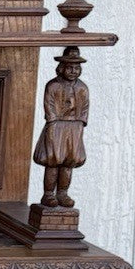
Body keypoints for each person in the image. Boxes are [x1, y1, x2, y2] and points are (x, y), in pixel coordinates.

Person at [34, 47, 89, 207]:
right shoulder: (53, 86)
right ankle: (48, 194)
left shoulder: (82, 88)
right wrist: (53, 122)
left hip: (74, 126)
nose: (73, 71)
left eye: (77, 68)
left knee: (68, 161)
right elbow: (49, 105)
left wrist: (80, 123)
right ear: (61, 68)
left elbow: (84, 107)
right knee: (53, 160)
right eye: (70, 67)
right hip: (57, 126)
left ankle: (63, 193)